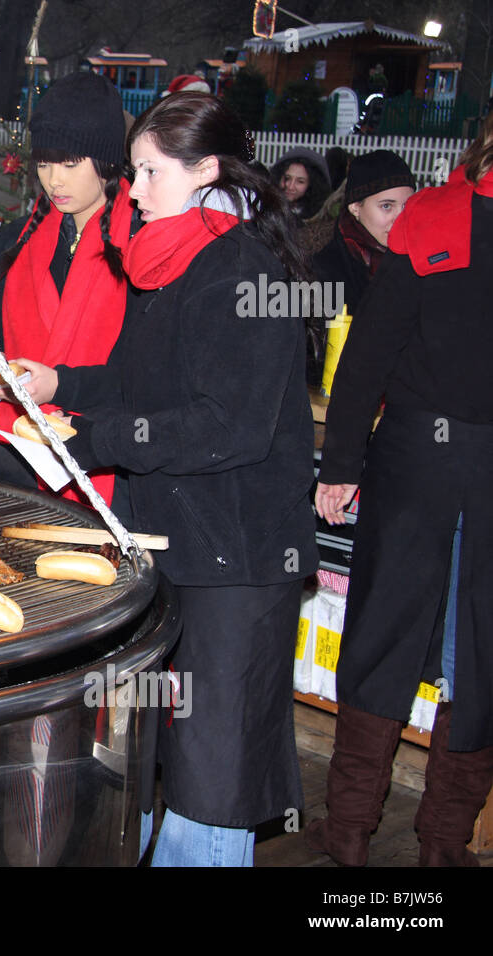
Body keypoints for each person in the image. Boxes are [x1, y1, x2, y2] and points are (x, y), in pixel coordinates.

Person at [32, 91, 318, 865]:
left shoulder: (242, 271)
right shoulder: (179, 259)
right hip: (184, 542)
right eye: (133, 172)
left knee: (212, 774)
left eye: (150, 174)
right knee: (176, 754)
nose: (133, 190)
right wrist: (59, 385)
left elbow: (229, 425)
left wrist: (99, 439)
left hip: (239, 557)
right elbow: (137, 374)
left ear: (207, 173)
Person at [310, 114, 493, 868]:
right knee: (430, 651)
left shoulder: (433, 215)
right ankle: (365, 838)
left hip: (422, 458)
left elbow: (368, 356)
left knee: (464, 658)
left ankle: (406, 844)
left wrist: (346, 461)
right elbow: (369, 355)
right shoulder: (438, 214)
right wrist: (341, 463)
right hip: (421, 461)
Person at [0, 70, 135, 508]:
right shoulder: (20, 238)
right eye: (44, 163)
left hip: (98, 459)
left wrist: (61, 385)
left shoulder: (139, 245)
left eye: (71, 163)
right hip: (11, 450)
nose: (55, 180)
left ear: (108, 161)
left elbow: (147, 376)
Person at [313, 150, 415, 316]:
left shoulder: (418, 263)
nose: (400, 218)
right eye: (387, 206)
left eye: (406, 206)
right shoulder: (322, 271)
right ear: (355, 207)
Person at [272, 147, 331, 219]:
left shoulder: (320, 219)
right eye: (287, 178)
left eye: (300, 181)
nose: (291, 186)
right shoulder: (264, 212)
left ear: (312, 185)